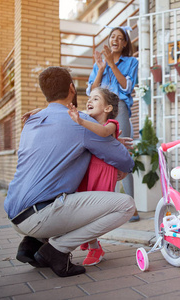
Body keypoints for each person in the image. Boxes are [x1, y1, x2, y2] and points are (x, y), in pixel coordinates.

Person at [4, 66, 135, 278]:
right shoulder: (83, 124)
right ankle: (56, 250)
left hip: (14, 213)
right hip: (42, 215)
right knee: (126, 205)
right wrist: (118, 152)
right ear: (72, 89)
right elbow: (124, 160)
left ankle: (33, 243)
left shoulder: (32, 121)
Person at [87, 26, 140, 222]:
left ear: (125, 43)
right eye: (112, 37)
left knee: (123, 154)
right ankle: (109, 207)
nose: (115, 40)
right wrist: (101, 68)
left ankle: (131, 207)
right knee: (102, 157)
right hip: (101, 112)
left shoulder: (132, 62)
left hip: (120, 109)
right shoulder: (99, 64)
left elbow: (127, 86)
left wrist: (112, 63)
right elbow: (93, 91)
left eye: (119, 38)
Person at [67, 87, 121, 266]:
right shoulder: (86, 119)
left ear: (107, 108)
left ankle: (94, 246)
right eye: (89, 98)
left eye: (96, 99)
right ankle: (91, 242)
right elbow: (61, 112)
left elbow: (104, 133)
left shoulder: (111, 124)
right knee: (83, 209)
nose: (89, 101)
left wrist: (80, 121)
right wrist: (39, 112)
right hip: (87, 171)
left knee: (95, 212)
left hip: (103, 172)